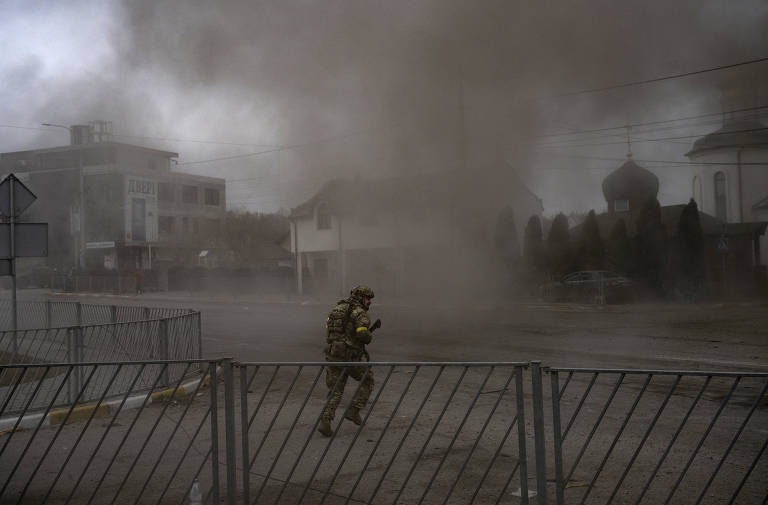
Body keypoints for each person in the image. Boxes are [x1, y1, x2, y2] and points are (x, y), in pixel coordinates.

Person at [318, 285, 379, 437]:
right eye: (368, 299)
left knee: (335, 391)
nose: (369, 302)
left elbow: (329, 330)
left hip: (333, 354)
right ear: (360, 298)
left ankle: (325, 421)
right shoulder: (360, 313)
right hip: (350, 357)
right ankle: (354, 410)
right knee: (368, 380)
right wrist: (368, 337)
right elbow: (363, 334)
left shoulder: (337, 309)